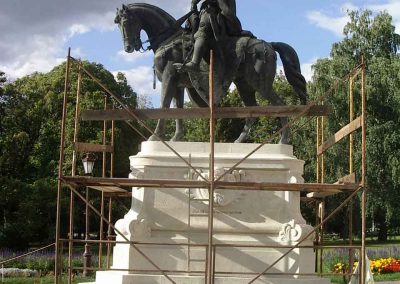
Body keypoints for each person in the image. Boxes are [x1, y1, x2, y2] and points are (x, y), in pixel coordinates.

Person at [178, 0, 244, 72]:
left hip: (216, 12)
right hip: (209, 9)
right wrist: (193, 3)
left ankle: (195, 63)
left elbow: (225, 8)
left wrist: (195, 3)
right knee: (192, 22)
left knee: (202, 32)